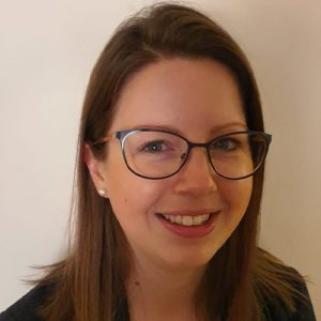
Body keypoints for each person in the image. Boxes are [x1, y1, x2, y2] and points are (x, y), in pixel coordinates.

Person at [0, 3, 316, 321]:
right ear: (97, 169)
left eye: (225, 143)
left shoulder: (286, 305)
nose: (199, 182)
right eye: (155, 145)